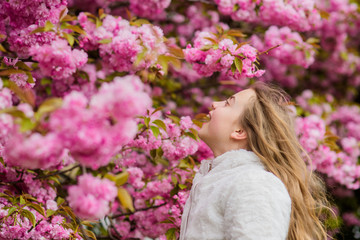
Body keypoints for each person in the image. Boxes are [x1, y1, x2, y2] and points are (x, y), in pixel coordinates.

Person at [180, 82, 331, 240]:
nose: (214, 104)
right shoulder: (219, 181)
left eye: (227, 104)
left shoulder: (255, 183)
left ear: (240, 131)